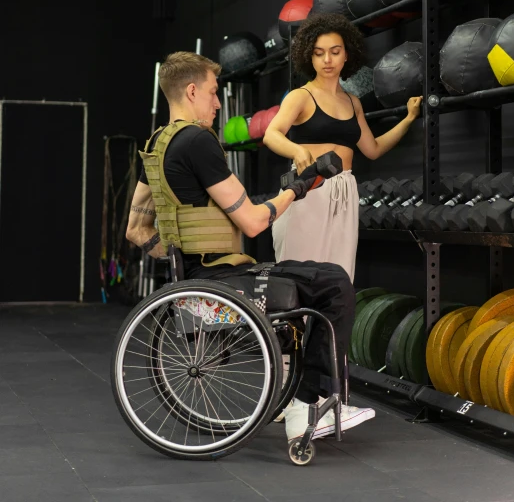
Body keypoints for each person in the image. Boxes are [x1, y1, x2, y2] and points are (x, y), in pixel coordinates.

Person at [126, 51, 375, 443]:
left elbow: (137, 230)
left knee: (311, 276)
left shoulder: (157, 145)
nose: (218, 103)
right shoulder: (198, 142)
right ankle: (308, 404)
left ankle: (306, 401)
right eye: (212, 92)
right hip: (221, 277)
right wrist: (298, 187)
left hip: (197, 276)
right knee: (334, 281)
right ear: (191, 91)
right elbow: (256, 221)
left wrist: (180, 265)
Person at [264, 13, 422, 282]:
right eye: (319, 53)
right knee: (298, 277)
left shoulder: (352, 102)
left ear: (346, 55)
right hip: (307, 189)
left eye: (335, 52)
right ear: (310, 57)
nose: (327, 60)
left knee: (339, 278)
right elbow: (271, 134)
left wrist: (407, 120)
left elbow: (372, 148)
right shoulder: (301, 96)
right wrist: (297, 151)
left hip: (344, 191)